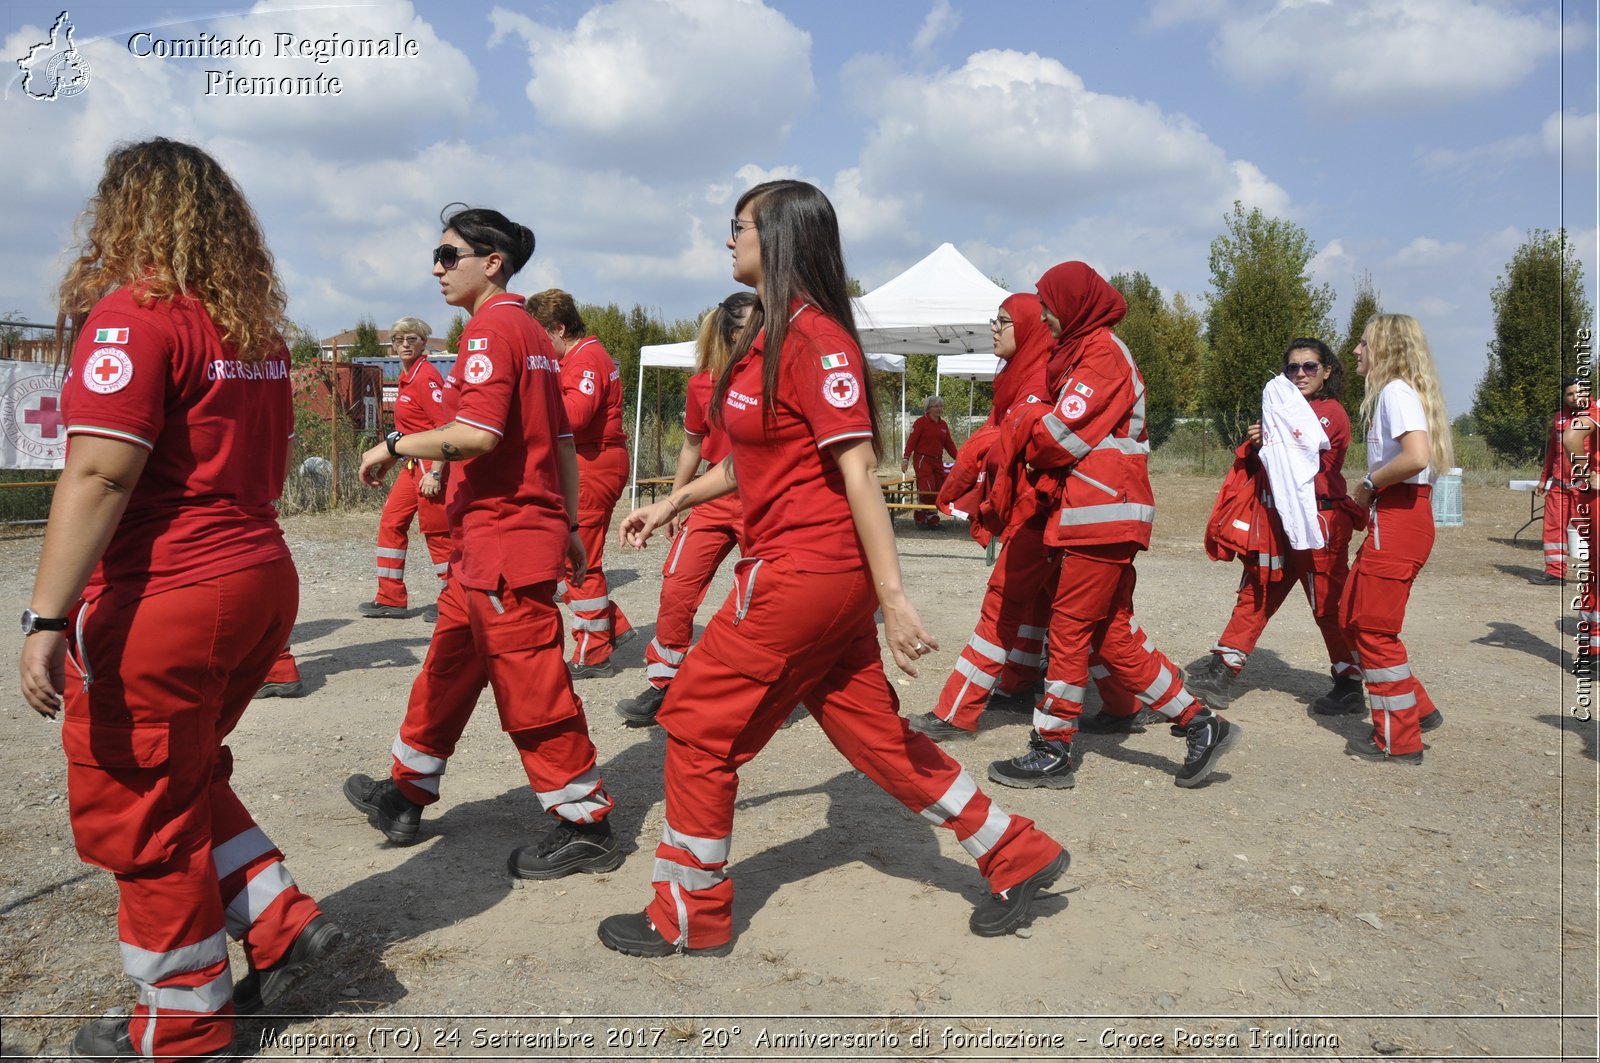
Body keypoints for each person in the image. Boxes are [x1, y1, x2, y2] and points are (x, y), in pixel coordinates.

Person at [596, 180, 1068, 958]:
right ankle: (1014, 849)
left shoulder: (817, 342)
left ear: (778, 238)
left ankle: (689, 910)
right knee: (877, 739)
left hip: (802, 577)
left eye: (738, 227)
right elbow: (757, 463)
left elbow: (858, 471)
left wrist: (894, 598)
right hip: (811, 580)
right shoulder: (770, 337)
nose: (728, 240)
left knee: (693, 729)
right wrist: (674, 501)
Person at [18, 138, 340, 1061]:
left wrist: (44, 617)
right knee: (184, 772)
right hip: (256, 575)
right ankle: (280, 920)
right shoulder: (252, 330)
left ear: (126, 214)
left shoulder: (133, 317)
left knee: (140, 804)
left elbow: (99, 472)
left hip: (171, 590)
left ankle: (186, 1025)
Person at [343, 205, 621, 878]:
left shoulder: (492, 330)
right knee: (443, 673)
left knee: (532, 687)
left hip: (503, 545)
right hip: (484, 547)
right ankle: (405, 794)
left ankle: (586, 821)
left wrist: (392, 445)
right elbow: (557, 438)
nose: (436, 269)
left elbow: (480, 434)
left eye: (448, 256)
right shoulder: (525, 329)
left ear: (490, 262)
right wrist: (573, 532)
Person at [985, 261, 1241, 790]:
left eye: (1051, 306)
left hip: (1098, 516)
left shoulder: (1100, 356)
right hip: (1096, 515)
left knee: (1070, 630)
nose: (1047, 317)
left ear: (1075, 304)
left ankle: (1052, 747)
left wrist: (1025, 419)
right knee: (1111, 634)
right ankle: (1201, 722)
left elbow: (1055, 438)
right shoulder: (1083, 353)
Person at [911, 293, 1141, 742]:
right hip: (1050, 511)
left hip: (1046, 510)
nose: (993, 328)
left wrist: (967, 475)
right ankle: (1121, 700)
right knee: (1077, 615)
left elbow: (1021, 440)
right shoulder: (1023, 373)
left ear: (1029, 326)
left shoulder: (1040, 374)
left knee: (1007, 605)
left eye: (1002, 321)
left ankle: (958, 713)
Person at [1184, 339, 1365, 714]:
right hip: (1281, 520)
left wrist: (1266, 436)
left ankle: (1352, 681)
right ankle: (1223, 670)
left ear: (1326, 372)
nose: (1300, 374)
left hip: (1319, 522)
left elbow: (1297, 448)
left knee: (1328, 606)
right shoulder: (1285, 410)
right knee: (1257, 590)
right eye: (1293, 368)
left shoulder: (1330, 412)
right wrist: (1259, 443)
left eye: (1310, 367)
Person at [616, 292, 755, 727]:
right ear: (730, 332)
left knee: (757, 596)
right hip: (714, 495)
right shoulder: (703, 383)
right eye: (752, 326)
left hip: (764, 497)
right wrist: (674, 502)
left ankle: (752, 687)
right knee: (678, 583)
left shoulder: (770, 376)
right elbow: (693, 444)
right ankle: (664, 684)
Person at [1341, 313, 1451, 762]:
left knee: (1373, 631)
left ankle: (1399, 739)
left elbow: (1415, 456)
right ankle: (1416, 707)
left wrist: (1368, 484)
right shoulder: (1399, 393)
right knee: (1351, 616)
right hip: (1398, 516)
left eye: (1364, 343)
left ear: (1384, 348)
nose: (1356, 351)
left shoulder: (1394, 392)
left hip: (1400, 517)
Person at [526, 290, 635, 678]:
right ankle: (613, 627)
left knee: (581, 561)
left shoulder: (585, 359)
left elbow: (575, 415)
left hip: (594, 462)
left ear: (558, 328)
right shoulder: (581, 356)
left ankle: (594, 653)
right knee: (562, 556)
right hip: (589, 461)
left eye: (541, 336)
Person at [357, 317, 454, 621]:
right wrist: (387, 462)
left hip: (429, 466)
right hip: (410, 465)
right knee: (391, 523)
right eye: (399, 340)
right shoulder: (407, 376)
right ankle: (390, 597)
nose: (404, 345)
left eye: (412, 339)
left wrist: (435, 473)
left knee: (438, 535)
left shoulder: (426, 378)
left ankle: (455, 599)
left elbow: (446, 429)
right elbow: (406, 432)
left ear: (424, 342)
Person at [1532, 377, 1597, 584]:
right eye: (1569, 394)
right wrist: (1544, 479)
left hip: (1584, 486)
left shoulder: (1594, 416)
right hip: (1559, 484)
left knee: (1590, 530)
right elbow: (1553, 451)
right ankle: (1554, 573)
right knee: (1552, 529)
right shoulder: (1560, 418)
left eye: (1579, 392)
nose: (1574, 397)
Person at [902, 394, 958, 528]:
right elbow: (912, 441)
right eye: (936, 406)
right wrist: (905, 458)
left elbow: (949, 444)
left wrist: (961, 459)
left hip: (937, 461)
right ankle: (920, 515)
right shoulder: (921, 422)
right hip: (923, 459)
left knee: (938, 489)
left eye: (940, 406)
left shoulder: (943, 424)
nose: (939, 409)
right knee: (927, 488)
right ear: (929, 408)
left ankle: (932, 516)